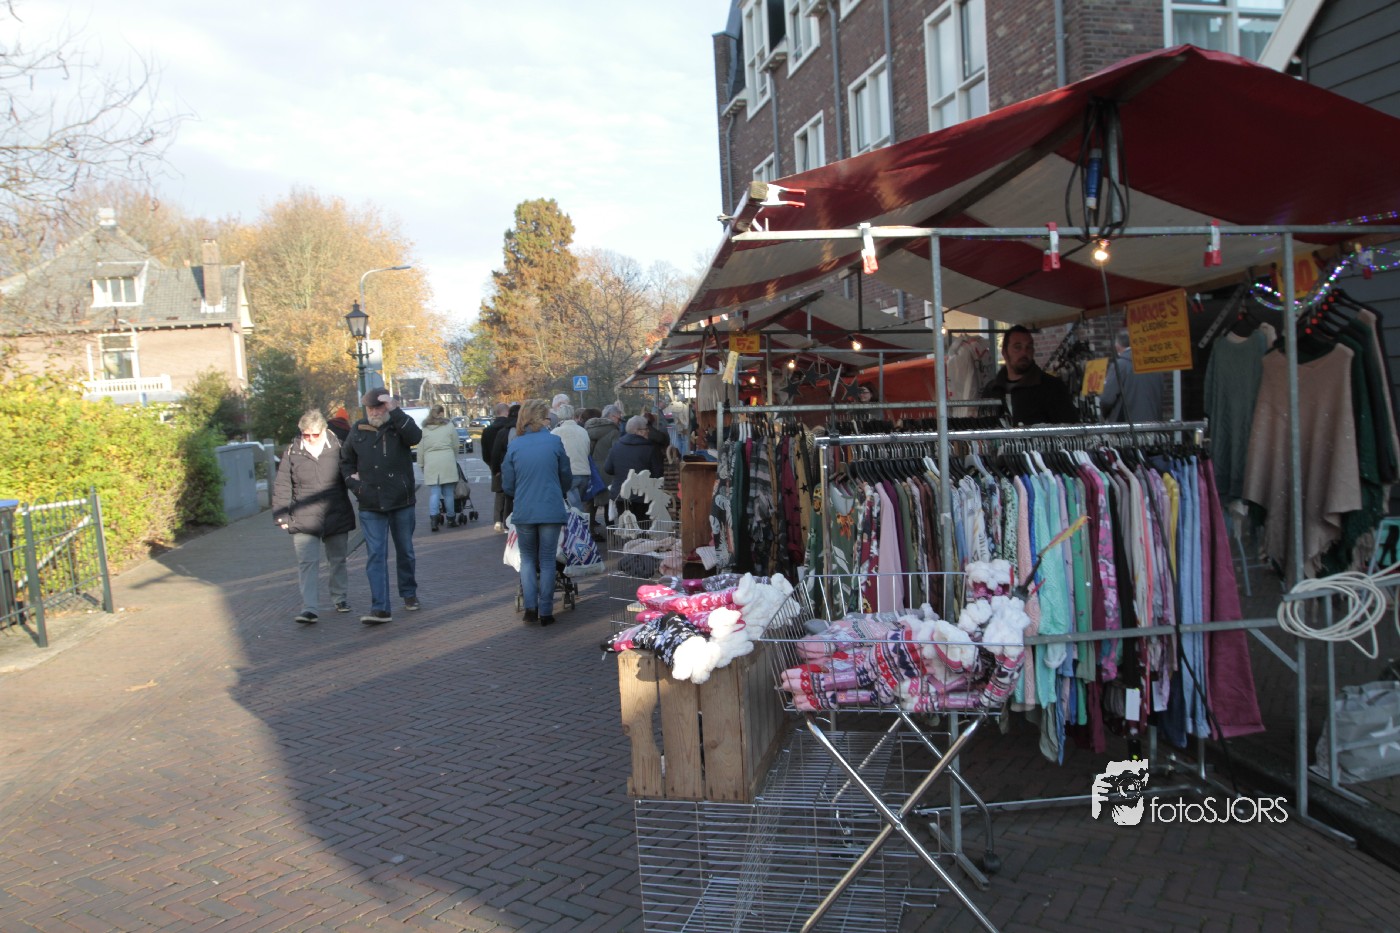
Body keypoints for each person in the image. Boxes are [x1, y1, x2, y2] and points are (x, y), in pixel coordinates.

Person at [340, 387, 423, 625]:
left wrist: (395, 410)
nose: (374, 412)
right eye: (370, 408)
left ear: (387, 406)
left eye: (379, 407)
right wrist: (353, 484)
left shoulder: (399, 425)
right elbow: (345, 461)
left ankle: (409, 593)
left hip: (401, 500)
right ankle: (380, 608)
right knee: (376, 554)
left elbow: (415, 437)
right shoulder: (357, 429)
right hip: (370, 502)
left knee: (405, 550)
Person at [272, 410, 356, 624]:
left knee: (337, 560)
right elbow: (282, 483)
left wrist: (365, 496)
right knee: (307, 562)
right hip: (303, 516)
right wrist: (281, 514)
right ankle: (309, 608)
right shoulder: (293, 451)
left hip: (336, 512)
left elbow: (351, 475)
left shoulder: (339, 447)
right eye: (305, 434)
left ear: (324, 431)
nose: (309, 438)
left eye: (314, 435)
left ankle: (340, 598)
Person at [501, 398, 571, 627]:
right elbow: (565, 475)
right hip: (550, 507)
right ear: (542, 419)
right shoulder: (554, 442)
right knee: (548, 560)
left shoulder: (515, 445)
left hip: (525, 509)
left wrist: (521, 493)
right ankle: (547, 611)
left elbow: (508, 484)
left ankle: (530, 609)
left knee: (528, 559)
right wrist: (558, 490)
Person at [979, 325, 1079, 425]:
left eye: (1029, 347)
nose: (1024, 352)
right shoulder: (992, 390)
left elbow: (1071, 429)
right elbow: (983, 426)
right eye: (1017, 347)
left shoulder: (1052, 388)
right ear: (1004, 352)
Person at [604, 415, 665, 518]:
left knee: (625, 525)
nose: (648, 431)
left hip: (620, 494)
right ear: (638, 431)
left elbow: (608, 469)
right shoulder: (651, 449)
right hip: (643, 496)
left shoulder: (616, 446)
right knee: (643, 525)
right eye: (646, 429)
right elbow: (658, 474)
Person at [1099, 328, 1165, 423]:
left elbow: (1106, 400)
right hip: (1154, 424)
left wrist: (1105, 416)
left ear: (1117, 345)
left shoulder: (1120, 366)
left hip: (1128, 425)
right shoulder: (1154, 365)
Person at [418, 405, 458, 532]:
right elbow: (455, 443)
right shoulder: (449, 426)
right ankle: (451, 518)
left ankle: (434, 519)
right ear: (441, 413)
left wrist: (421, 464)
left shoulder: (425, 429)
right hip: (447, 459)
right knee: (448, 493)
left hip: (431, 461)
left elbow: (421, 448)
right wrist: (453, 456)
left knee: (434, 492)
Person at [584, 404, 623, 533]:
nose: (620, 421)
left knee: (591, 503)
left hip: (590, 469)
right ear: (612, 416)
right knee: (608, 503)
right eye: (619, 418)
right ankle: (611, 531)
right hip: (607, 470)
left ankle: (589, 532)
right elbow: (616, 452)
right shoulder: (614, 431)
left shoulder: (588, 429)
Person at [551, 402, 593, 511]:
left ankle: (580, 522)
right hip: (585, 472)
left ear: (559, 416)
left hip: (569, 474)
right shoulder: (583, 431)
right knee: (580, 506)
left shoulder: (556, 432)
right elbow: (588, 450)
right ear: (573, 415)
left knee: (575, 509)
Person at [481, 402, 514, 532]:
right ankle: (507, 521)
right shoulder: (509, 429)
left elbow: (485, 454)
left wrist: (492, 465)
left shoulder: (487, 431)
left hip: (495, 466)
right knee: (510, 494)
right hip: (509, 464)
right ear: (507, 412)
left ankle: (498, 520)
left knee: (499, 493)